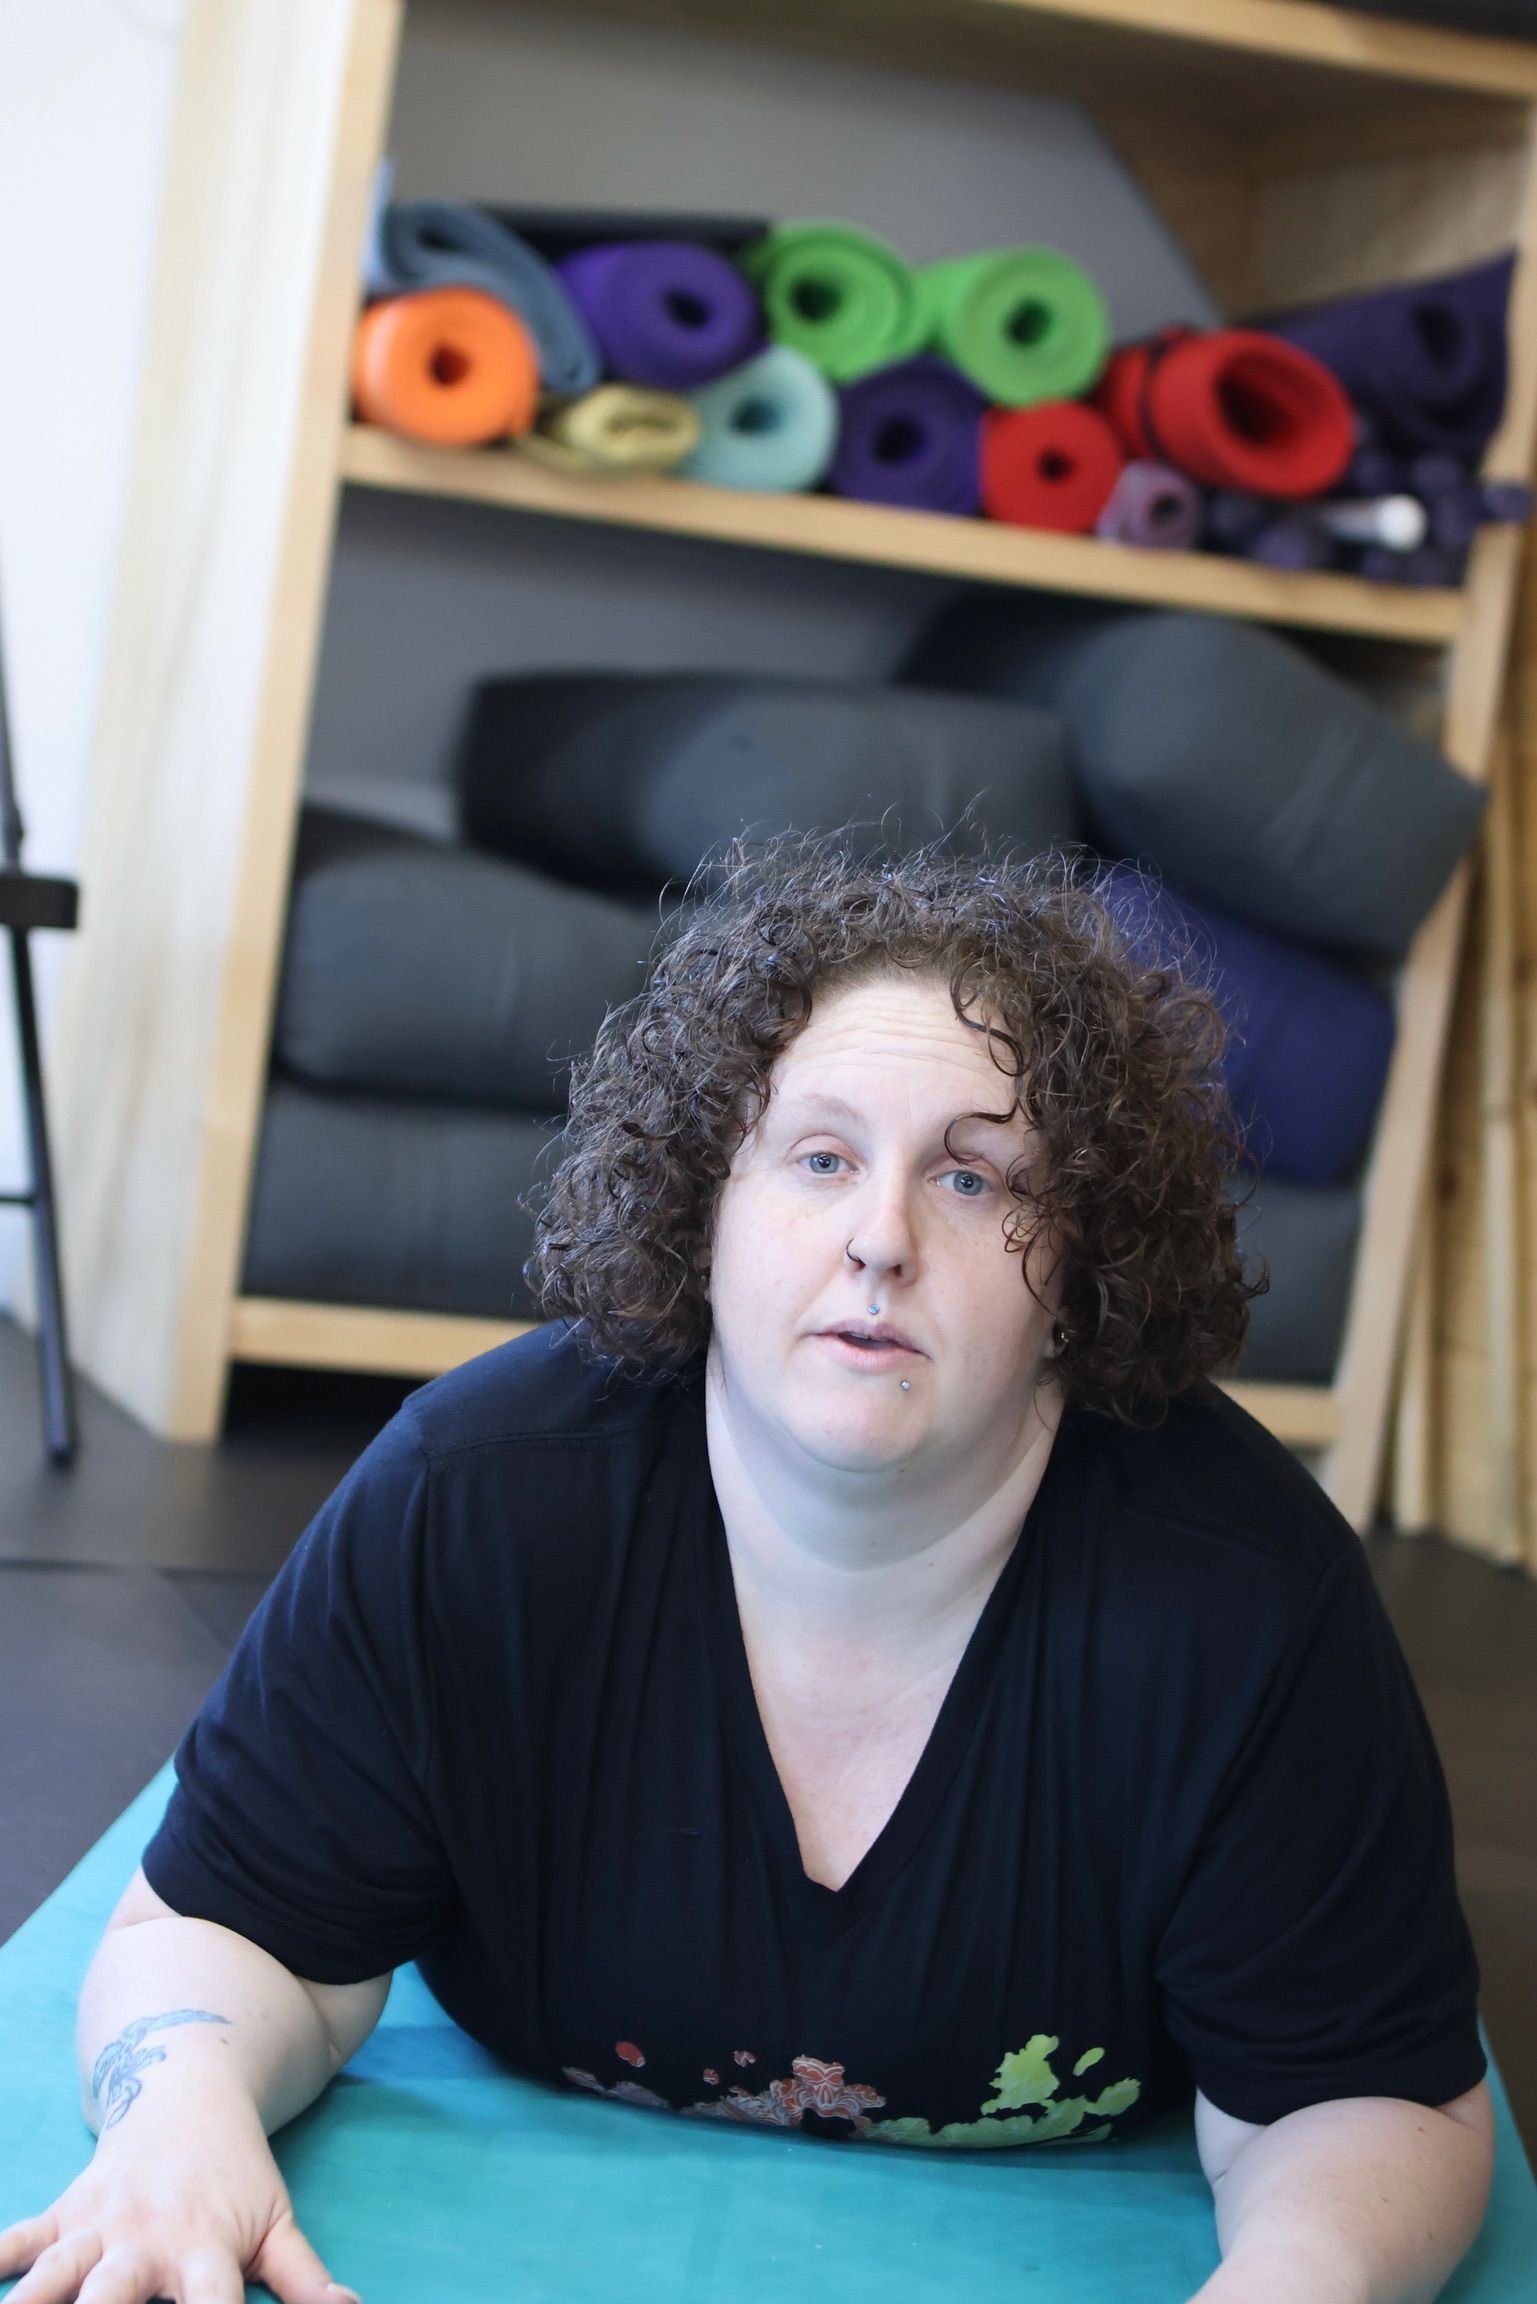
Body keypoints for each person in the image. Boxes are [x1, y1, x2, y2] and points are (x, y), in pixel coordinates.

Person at [0, 837, 1494, 2304]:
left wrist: (1298, 2280)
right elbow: (223, 1931)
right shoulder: (474, 1502)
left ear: (1080, 1273)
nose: (881, 1239)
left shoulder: (1246, 1599)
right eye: (821, 1158)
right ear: (703, 1211)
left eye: (975, 1179)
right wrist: (176, 2120)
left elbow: (1361, 2101)